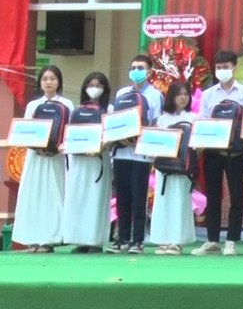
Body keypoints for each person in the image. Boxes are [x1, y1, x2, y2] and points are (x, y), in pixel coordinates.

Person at [194, 50, 243, 256]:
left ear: (234, 67)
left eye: (225, 67)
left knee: (236, 196)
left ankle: (231, 241)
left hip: (236, 152)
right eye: (218, 67)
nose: (222, 70)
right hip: (212, 152)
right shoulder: (208, 94)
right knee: (213, 195)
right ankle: (212, 240)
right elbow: (202, 121)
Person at [108, 55, 165, 254]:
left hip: (141, 154)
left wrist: (139, 137)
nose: (136, 71)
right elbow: (114, 121)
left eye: (141, 68)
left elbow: (156, 123)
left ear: (149, 71)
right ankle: (122, 238)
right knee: (122, 197)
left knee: (139, 197)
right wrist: (120, 138)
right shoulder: (121, 93)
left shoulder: (155, 95)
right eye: (133, 67)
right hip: (121, 152)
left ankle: (138, 240)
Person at [13, 65, 74, 252]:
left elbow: (70, 132)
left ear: (59, 82)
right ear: (40, 82)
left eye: (53, 78)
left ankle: (49, 239)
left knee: (52, 195)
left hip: (56, 158)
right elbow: (26, 131)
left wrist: (58, 149)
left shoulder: (67, 104)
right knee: (33, 195)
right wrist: (37, 148)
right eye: (45, 79)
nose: (49, 82)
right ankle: (32, 239)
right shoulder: (33, 105)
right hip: (35, 157)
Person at [63, 72, 111, 253]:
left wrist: (100, 146)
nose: (94, 88)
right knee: (79, 197)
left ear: (105, 89)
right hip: (79, 160)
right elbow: (70, 134)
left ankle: (95, 241)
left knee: (95, 199)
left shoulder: (109, 109)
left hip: (97, 160)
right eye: (91, 85)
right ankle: (79, 240)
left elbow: (112, 135)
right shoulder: (77, 109)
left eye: (99, 85)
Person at [149, 82, 198, 255]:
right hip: (165, 167)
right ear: (171, 97)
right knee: (164, 202)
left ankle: (178, 241)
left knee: (180, 201)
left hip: (183, 168)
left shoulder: (194, 118)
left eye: (186, 94)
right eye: (179, 94)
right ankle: (163, 239)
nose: (183, 98)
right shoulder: (162, 119)